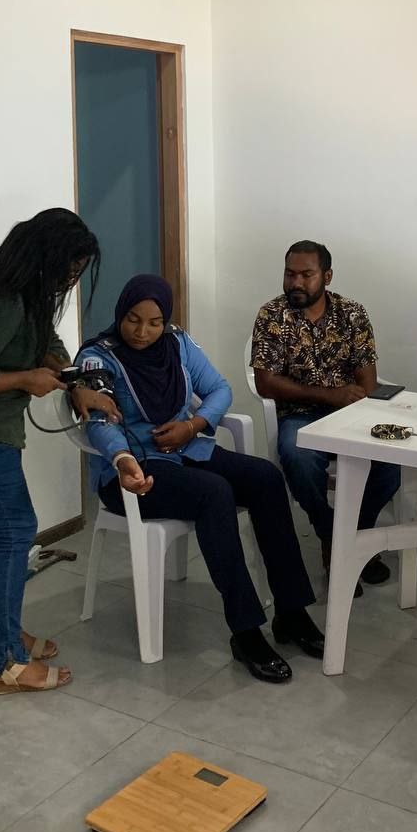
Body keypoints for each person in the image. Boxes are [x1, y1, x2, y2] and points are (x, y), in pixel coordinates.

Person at [78, 274, 323, 684]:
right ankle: (246, 631)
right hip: (134, 471)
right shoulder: (98, 358)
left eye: (154, 322)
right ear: (120, 313)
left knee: (265, 478)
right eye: (133, 319)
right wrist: (122, 459)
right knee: (214, 493)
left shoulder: (177, 344)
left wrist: (193, 425)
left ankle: (291, 611)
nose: (142, 332)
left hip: (186, 449)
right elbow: (99, 423)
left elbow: (220, 390)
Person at [0, 208, 114, 694]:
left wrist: (73, 381)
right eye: (70, 270)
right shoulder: (3, 302)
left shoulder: (26, 294)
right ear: (44, 257)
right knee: (14, 529)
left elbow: (47, 340)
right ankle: (6, 663)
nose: (72, 281)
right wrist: (25, 379)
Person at [251, 240, 400, 593]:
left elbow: (367, 382)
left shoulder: (352, 313)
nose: (296, 282)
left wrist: (347, 402)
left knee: (390, 464)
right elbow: (266, 382)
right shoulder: (272, 315)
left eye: (306, 274)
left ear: (327, 276)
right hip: (299, 415)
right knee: (297, 457)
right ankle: (332, 535)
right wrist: (328, 394)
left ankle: (351, 537)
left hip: (351, 414)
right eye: (290, 274)